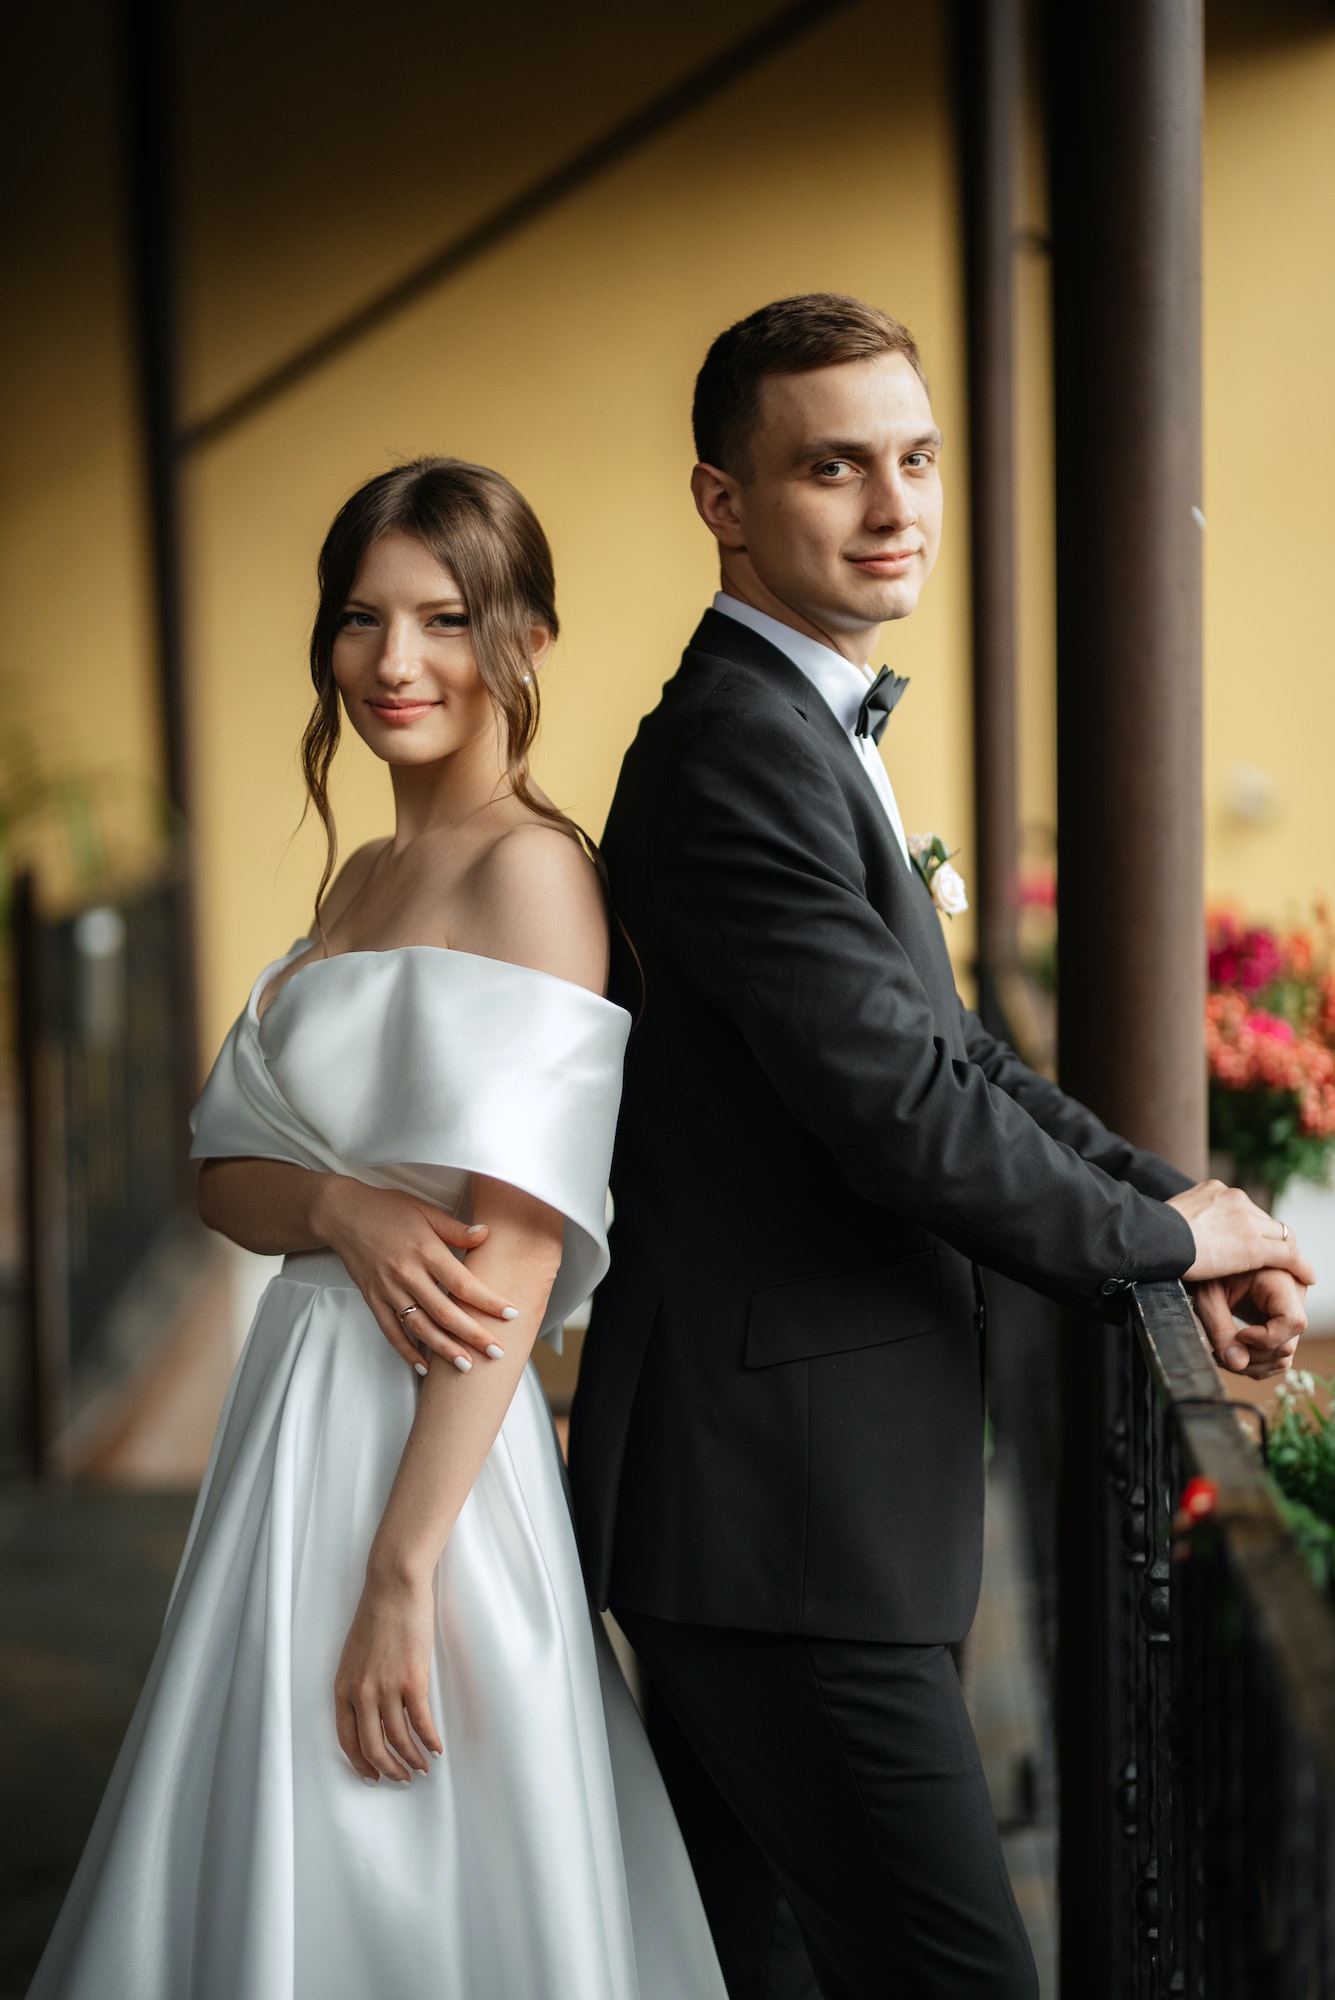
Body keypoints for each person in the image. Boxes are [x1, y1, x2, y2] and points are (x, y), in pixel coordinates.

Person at [567, 294, 1313, 2000]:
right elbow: (905, 1114)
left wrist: (1180, 1209)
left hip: (793, 1502)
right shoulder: (739, 752)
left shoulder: (801, 729)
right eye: (833, 466)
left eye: (915, 457)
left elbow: (956, 1052)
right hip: (779, 1517)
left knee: (756, 1965)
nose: (896, 503)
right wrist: (1171, 1247)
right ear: (723, 500)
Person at [30, 459, 726, 2000]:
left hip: (433, 1458)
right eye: (360, 620)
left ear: (527, 639)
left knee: (408, 1845)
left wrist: (405, 1572)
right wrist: (341, 1205)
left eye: (444, 618)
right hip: (293, 1425)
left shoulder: (538, 877)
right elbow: (222, 1173)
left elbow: (521, 1254)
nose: (394, 663)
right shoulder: (358, 878)